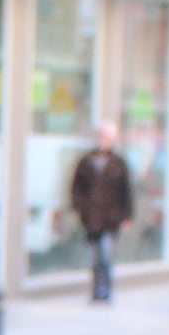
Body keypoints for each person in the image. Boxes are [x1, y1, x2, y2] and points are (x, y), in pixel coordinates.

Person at [68, 125, 134, 303]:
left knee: (106, 254)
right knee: (95, 256)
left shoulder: (118, 163)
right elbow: (76, 188)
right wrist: (80, 208)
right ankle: (97, 289)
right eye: (101, 136)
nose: (102, 140)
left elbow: (126, 191)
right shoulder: (87, 162)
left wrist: (127, 216)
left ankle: (106, 289)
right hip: (91, 219)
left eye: (106, 137)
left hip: (111, 219)